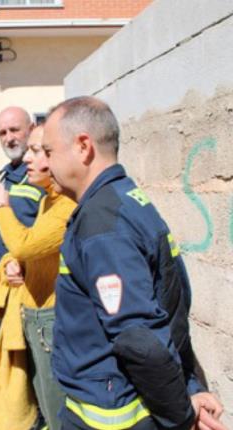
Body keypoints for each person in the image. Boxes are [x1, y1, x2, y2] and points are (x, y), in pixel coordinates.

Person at [44, 96, 225, 430]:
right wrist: (188, 387)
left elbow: (139, 338)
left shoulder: (102, 226)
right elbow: (166, 311)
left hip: (109, 416)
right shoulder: (125, 201)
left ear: (83, 146)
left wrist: (181, 416)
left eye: (49, 151)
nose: (44, 164)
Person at [0, 125, 75, 430]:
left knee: (53, 408)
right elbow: (30, 248)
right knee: (40, 400)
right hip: (33, 313)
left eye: (37, 151)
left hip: (48, 319)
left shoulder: (66, 205)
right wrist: (14, 263)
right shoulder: (47, 199)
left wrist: (0, 206)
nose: (28, 157)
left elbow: (26, 242)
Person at [0, 106, 44, 267]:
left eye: (14, 130)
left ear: (32, 129)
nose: (9, 138)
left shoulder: (44, 176)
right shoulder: (7, 175)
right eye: (3, 133)